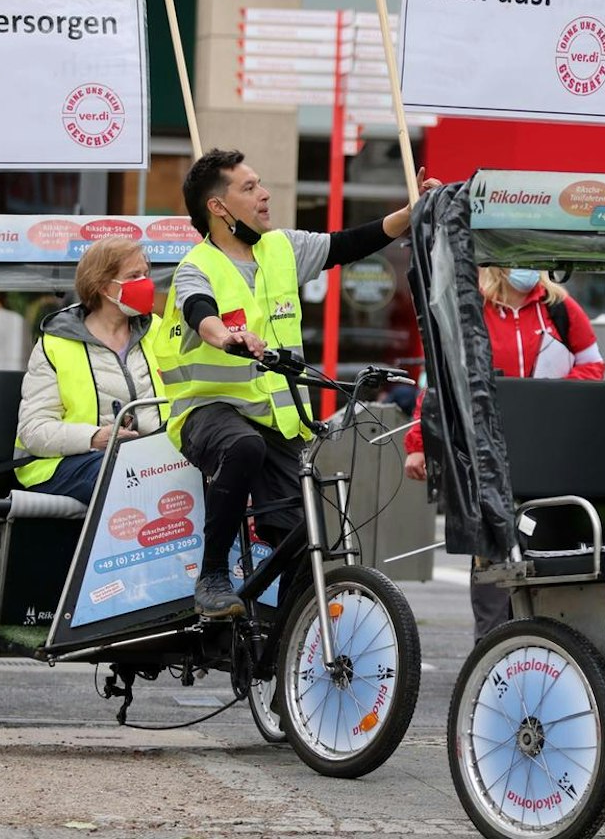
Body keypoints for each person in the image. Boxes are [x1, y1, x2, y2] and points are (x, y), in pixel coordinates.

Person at [155, 148, 437, 618]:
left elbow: (348, 243)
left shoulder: (282, 247)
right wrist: (227, 335)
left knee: (306, 539)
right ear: (218, 208)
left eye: (260, 184)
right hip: (207, 413)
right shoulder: (196, 267)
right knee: (243, 447)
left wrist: (408, 216)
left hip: (277, 422)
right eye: (249, 188)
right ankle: (212, 576)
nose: (265, 194)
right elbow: (198, 311)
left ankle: (286, 647)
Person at [402, 266, 605, 639]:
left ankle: (546, 641)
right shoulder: (471, 309)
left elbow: (593, 366)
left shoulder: (559, 307)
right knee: (492, 550)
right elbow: (439, 380)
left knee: (546, 543)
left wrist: (549, 394)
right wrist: (418, 442)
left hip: (547, 449)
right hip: (485, 450)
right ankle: (492, 646)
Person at [15, 236, 164, 502]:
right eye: (133, 276)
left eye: (146, 274)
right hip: (67, 463)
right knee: (124, 475)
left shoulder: (159, 332)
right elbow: (34, 430)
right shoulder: (56, 343)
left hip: (153, 460)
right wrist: (94, 437)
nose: (145, 283)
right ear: (104, 287)